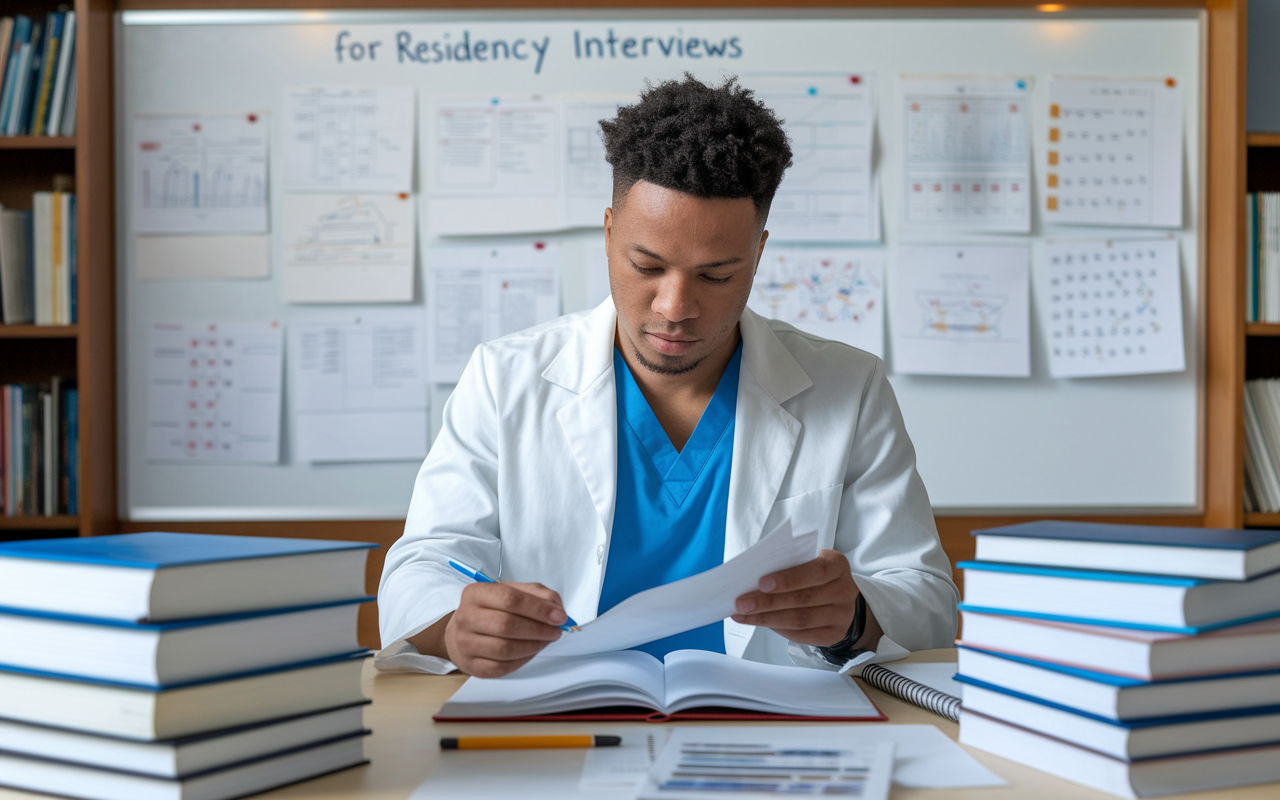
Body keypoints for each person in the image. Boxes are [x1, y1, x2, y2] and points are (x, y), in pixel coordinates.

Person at [377, 75, 958, 679]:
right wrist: (455, 625)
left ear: (758, 255)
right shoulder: (503, 379)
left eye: (716, 276)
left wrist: (856, 616)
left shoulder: (850, 386)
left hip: (768, 728)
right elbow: (422, 566)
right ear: (608, 235)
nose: (675, 307)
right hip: (561, 723)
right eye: (647, 266)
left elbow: (928, 603)